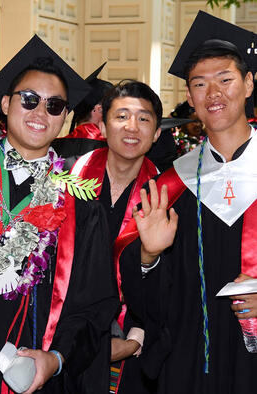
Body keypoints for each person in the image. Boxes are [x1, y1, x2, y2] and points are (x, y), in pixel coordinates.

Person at [0, 34, 119, 393]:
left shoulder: (79, 204)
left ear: (65, 117)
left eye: (54, 106)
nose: (40, 113)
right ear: (4, 103)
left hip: (28, 376)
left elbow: (93, 304)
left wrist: (58, 357)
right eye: (30, 100)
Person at [117, 11, 257, 394]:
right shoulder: (172, 185)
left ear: (248, 83)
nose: (213, 94)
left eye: (225, 80)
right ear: (190, 98)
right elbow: (148, 297)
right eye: (199, 84)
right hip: (190, 361)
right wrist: (148, 256)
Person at [69, 80, 163, 394]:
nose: (132, 127)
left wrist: (137, 338)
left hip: (132, 342)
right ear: (103, 125)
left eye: (143, 118)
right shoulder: (68, 181)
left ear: (157, 132)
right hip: (65, 336)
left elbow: (172, 284)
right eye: (121, 116)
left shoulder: (168, 197)